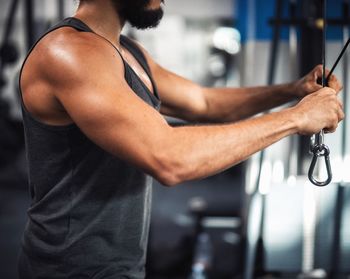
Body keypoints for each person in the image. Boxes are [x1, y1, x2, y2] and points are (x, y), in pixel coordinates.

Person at [18, 0, 344, 278]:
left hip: (121, 264)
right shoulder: (69, 53)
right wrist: (297, 117)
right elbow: (169, 157)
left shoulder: (127, 51)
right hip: (70, 268)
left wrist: (293, 91)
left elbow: (204, 103)